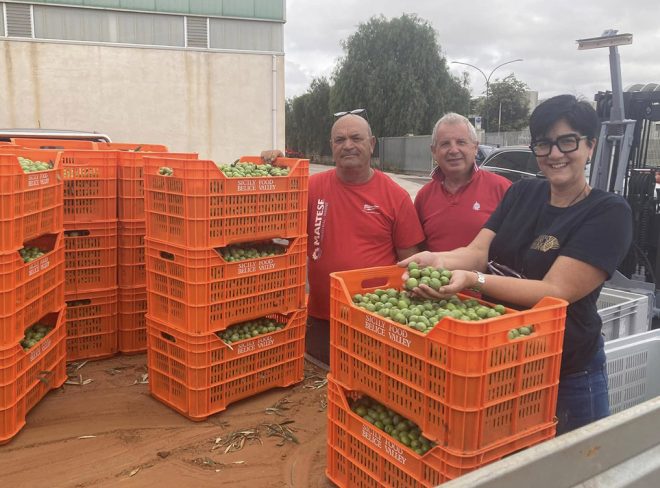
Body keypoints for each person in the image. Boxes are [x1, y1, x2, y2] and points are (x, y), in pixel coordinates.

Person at [400, 94, 632, 434]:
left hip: (566, 367)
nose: (554, 154)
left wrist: (473, 280)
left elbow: (556, 291)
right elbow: (477, 251)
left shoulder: (608, 212)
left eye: (567, 142)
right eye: (544, 144)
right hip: (505, 359)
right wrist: (437, 260)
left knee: (577, 465)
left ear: (590, 146)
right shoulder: (522, 193)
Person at [263, 113, 425, 369]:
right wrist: (272, 168)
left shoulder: (396, 196)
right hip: (321, 317)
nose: (347, 145)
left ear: (371, 144)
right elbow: (270, 221)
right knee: (318, 376)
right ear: (332, 146)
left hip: (373, 321)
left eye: (356, 138)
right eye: (340, 139)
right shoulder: (309, 187)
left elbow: (410, 264)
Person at [414, 113, 511, 251]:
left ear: (475, 148)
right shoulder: (424, 196)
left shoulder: (502, 189)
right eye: (445, 144)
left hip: (486, 273)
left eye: (461, 142)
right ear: (434, 151)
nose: (453, 150)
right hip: (436, 272)